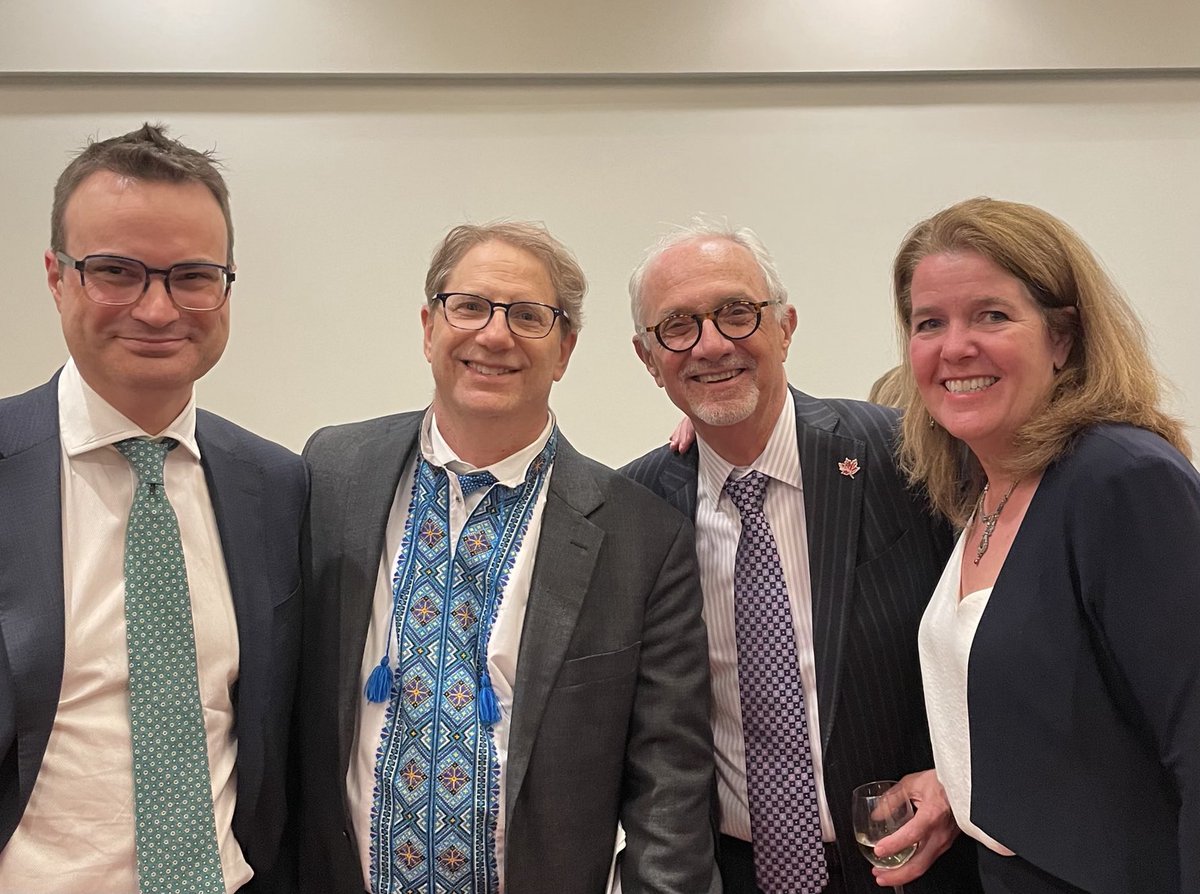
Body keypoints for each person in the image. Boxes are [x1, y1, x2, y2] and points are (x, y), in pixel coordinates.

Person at [298, 221, 718, 894]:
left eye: (528, 316)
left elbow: (669, 793)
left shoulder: (642, 538)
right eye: (469, 307)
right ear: (430, 324)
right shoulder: (331, 475)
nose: (494, 335)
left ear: (566, 349)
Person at [622, 221, 981, 894]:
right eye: (677, 326)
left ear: (785, 326)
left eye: (736, 313)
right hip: (727, 873)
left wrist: (964, 775)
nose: (711, 343)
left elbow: (1007, 642)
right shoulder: (633, 505)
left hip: (917, 863)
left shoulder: (906, 454)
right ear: (648, 358)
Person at [0, 124, 306, 893]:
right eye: (116, 271)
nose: (159, 308)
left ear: (228, 285)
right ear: (55, 277)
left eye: (193, 276)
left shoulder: (278, 485)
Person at [894, 196, 1200, 894]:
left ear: (1062, 337)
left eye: (992, 315)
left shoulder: (1121, 479)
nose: (955, 347)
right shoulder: (986, 489)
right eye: (929, 323)